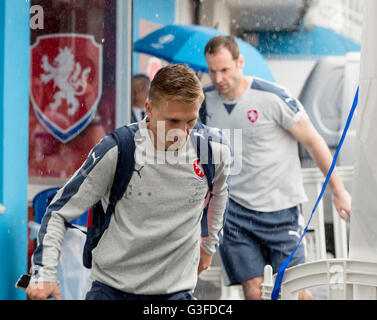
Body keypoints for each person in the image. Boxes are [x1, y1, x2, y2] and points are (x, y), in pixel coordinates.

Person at [26, 64, 231, 300]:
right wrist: (44, 274)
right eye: (173, 121)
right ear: (149, 109)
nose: (182, 133)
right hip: (112, 290)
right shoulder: (118, 150)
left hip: (176, 292)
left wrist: (209, 244)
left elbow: (220, 192)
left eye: (191, 122)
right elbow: (59, 211)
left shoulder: (213, 151)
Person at [201, 35, 351, 300]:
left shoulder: (273, 97)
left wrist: (339, 191)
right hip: (234, 212)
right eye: (212, 71)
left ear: (240, 62)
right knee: (255, 291)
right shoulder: (205, 103)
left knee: (294, 290)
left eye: (224, 70)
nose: (218, 78)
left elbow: (314, 142)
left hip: (281, 210)